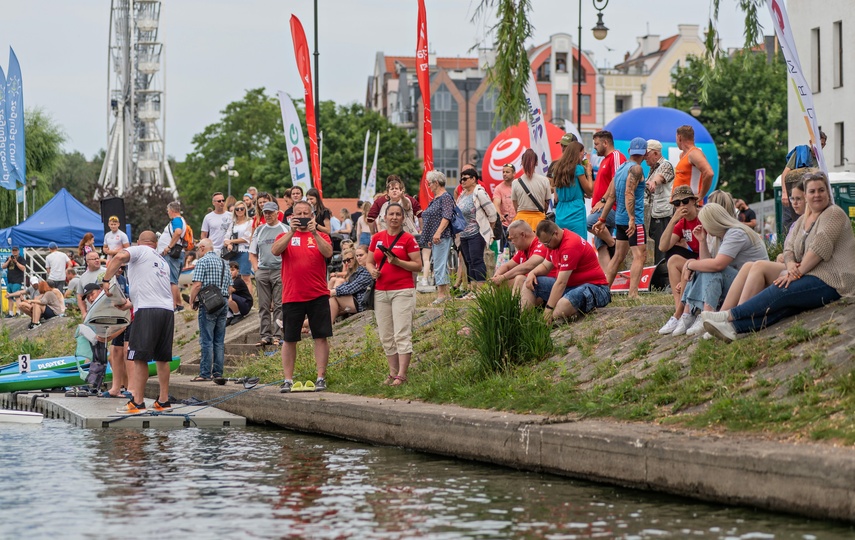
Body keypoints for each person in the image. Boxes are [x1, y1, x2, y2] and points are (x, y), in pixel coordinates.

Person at [703, 171, 855, 342]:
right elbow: (789, 250)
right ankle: (732, 328)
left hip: (834, 279)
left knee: (783, 288)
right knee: (787, 307)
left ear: (828, 192)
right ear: (806, 194)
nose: (817, 195)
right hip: (810, 273)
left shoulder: (833, 213)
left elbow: (818, 249)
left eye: (821, 190)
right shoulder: (802, 220)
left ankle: (728, 315)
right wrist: (790, 266)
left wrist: (793, 274)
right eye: (812, 191)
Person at [101, 230, 175, 414]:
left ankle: (137, 402)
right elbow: (154, 290)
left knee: (139, 357)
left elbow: (119, 256)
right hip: (166, 311)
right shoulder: (163, 262)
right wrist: (129, 304)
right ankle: (163, 401)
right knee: (162, 358)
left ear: (140, 242)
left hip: (147, 311)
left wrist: (106, 279)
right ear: (155, 244)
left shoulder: (139, 250)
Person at [677, 203, 769, 337]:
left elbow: (717, 265)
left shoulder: (735, 233)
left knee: (710, 269)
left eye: (704, 223)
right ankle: (691, 313)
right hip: (742, 281)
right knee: (705, 268)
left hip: (753, 284)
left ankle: (705, 315)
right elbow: (707, 263)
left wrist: (689, 265)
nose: (704, 228)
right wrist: (702, 241)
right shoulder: (723, 235)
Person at [271, 200, 333, 393]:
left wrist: (314, 232)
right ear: (292, 216)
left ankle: (321, 377)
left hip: (318, 294)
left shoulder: (321, 235)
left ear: (313, 216)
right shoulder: (285, 235)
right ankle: (288, 379)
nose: (303, 216)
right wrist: (291, 232)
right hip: (292, 295)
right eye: (299, 214)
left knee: (320, 337)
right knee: (289, 339)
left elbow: (328, 252)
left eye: (307, 213)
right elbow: (275, 251)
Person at [366, 203, 423, 386]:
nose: (395, 217)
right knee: (386, 335)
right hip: (381, 291)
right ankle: (392, 372)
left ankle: (402, 374)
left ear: (403, 217)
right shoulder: (377, 238)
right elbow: (369, 261)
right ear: (384, 217)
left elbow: (418, 265)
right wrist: (372, 271)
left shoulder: (408, 239)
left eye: (398, 214)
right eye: (391, 214)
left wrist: (398, 262)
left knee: (401, 333)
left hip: (402, 290)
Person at [521, 221, 611, 324]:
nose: (546, 247)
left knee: (563, 304)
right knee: (529, 283)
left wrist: (548, 310)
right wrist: (533, 273)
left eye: (547, 243)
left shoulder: (570, 244)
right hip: (571, 287)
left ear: (555, 233)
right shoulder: (553, 243)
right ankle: (523, 322)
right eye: (543, 243)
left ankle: (547, 321)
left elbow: (561, 283)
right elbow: (545, 266)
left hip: (596, 288)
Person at [593, 137, 648, 298]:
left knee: (618, 256)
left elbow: (610, 196)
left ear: (630, 152)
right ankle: (633, 293)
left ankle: (603, 292)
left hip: (619, 220)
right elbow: (628, 193)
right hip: (633, 221)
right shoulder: (637, 170)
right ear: (644, 153)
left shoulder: (621, 168)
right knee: (640, 255)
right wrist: (632, 218)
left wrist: (602, 219)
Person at [657, 186, 702, 335]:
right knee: (672, 260)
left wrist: (686, 273)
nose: (681, 206)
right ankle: (680, 313)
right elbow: (663, 246)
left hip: (708, 259)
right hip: (696, 260)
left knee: (681, 264)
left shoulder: (703, 217)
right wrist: (673, 220)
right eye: (677, 203)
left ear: (694, 201)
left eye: (685, 201)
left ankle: (680, 314)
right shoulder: (682, 223)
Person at [188, 239, 231, 382]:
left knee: (207, 340)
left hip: (209, 303)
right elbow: (230, 288)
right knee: (219, 340)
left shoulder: (202, 261)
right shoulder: (224, 263)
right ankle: (217, 372)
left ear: (202, 248)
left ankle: (205, 373)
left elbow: (197, 285)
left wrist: (191, 300)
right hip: (224, 301)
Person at [249, 201, 290, 347]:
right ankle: (265, 335)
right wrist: (256, 270)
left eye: (270, 212)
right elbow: (252, 253)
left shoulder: (285, 229)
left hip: (279, 269)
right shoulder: (259, 230)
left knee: (279, 304)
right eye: (265, 212)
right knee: (263, 304)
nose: (267, 215)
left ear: (277, 212)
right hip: (263, 270)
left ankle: (278, 335)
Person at [586, 130, 627, 269]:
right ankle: (607, 281)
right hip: (601, 207)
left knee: (591, 223)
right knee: (601, 247)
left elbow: (617, 179)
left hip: (611, 207)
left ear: (606, 142)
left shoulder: (616, 156)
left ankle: (613, 244)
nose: (595, 147)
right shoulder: (605, 160)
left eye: (596, 144)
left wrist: (603, 201)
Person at [456, 166, 497, 294]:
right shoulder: (462, 195)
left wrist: (489, 228)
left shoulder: (479, 192)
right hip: (464, 233)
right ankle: (472, 289)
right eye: (461, 180)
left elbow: (492, 212)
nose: (462, 182)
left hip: (476, 232)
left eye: (465, 179)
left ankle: (480, 290)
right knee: (468, 261)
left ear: (474, 179)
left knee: (477, 260)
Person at [490, 220, 556, 292]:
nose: (512, 242)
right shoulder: (523, 248)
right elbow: (507, 266)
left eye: (513, 238)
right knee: (501, 283)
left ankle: (517, 303)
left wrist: (503, 277)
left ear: (523, 235)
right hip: (533, 284)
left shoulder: (541, 244)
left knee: (520, 278)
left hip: (549, 284)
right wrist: (496, 276)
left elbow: (528, 265)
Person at [420, 170, 455, 304]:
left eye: (429, 184)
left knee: (439, 265)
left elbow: (447, 216)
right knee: (441, 265)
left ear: (436, 183)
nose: (428, 187)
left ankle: (441, 295)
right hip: (436, 237)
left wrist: (438, 232)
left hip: (441, 236)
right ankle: (446, 294)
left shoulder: (445, 197)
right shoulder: (437, 198)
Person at [780, 130, 826, 233]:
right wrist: (784, 193)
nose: (818, 147)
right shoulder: (800, 153)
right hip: (793, 191)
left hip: (808, 195)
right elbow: (785, 173)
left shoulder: (820, 160)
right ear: (810, 142)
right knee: (789, 223)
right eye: (816, 144)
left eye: (821, 144)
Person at [549, 141, 593, 238]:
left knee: (562, 243)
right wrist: (589, 172)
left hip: (561, 211)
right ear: (577, 153)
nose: (583, 156)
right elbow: (590, 191)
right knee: (579, 244)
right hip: (576, 211)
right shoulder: (578, 169)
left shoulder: (557, 169)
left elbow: (556, 198)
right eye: (583, 153)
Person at [644, 139, 676, 265]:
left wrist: (653, 182)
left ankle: (662, 279)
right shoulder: (652, 168)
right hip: (655, 214)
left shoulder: (666, 165)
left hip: (663, 215)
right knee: (657, 249)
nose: (645, 157)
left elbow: (661, 177)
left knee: (661, 251)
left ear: (656, 154)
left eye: (647, 154)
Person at [327, 246, 374, 325]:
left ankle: (328, 325)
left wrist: (332, 291)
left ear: (369, 255)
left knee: (333, 295)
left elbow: (352, 288)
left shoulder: (368, 271)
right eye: (357, 256)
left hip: (362, 303)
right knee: (331, 297)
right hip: (354, 299)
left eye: (361, 255)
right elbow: (348, 284)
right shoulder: (361, 269)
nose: (358, 258)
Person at [157, 201, 188, 311]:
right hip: (176, 253)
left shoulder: (176, 220)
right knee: (173, 280)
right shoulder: (181, 220)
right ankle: (177, 303)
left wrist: (169, 247)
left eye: (168, 210)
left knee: (171, 280)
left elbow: (178, 232)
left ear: (172, 210)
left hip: (172, 254)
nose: (167, 213)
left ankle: (175, 305)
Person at [511, 149, 551, 230]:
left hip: (521, 222)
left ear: (522, 162)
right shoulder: (544, 180)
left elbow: (515, 205)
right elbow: (547, 203)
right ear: (536, 163)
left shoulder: (515, 182)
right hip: (539, 221)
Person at [673, 124, 714, 202]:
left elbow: (709, 173)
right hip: (681, 204)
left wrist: (701, 195)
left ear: (679, 137)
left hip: (690, 205)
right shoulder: (683, 155)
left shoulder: (694, 153)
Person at [223, 200, 254, 294]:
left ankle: (249, 301)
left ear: (245, 210)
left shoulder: (250, 222)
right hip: (233, 253)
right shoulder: (233, 224)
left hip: (244, 251)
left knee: (245, 278)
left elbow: (247, 238)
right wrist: (228, 244)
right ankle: (237, 300)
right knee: (234, 278)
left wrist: (231, 241)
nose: (239, 210)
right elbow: (226, 237)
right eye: (237, 209)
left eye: (242, 208)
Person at [492, 163, 518, 242]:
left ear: (514, 174)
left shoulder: (519, 185)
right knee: (505, 251)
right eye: (503, 172)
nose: (504, 174)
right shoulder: (498, 188)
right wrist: (499, 214)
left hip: (518, 223)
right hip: (505, 225)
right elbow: (496, 203)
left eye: (507, 172)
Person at [76, 251, 106, 317]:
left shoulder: (107, 272)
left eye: (98, 258)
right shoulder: (83, 277)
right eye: (94, 259)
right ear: (87, 262)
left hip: (107, 310)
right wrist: (84, 312)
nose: (97, 260)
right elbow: (79, 296)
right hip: (92, 313)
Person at [227, 261, 253, 325]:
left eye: (233, 270)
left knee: (227, 297)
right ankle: (229, 316)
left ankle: (237, 314)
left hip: (245, 304)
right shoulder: (229, 281)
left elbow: (230, 290)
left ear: (238, 271)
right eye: (228, 270)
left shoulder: (238, 281)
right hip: (238, 303)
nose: (230, 272)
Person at [3, 247, 27, 317]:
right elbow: (3, 267)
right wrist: (9, 261)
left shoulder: (21, 259)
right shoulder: (9, 258)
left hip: (17, 280)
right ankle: (10, 312)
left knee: (17, 296)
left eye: (16, 251)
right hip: (10, 280)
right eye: (13, 251)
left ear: (18, 251)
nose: (14, 252)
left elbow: (23, 268)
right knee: (9, 297)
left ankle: (18, 312)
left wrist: (16, 262)